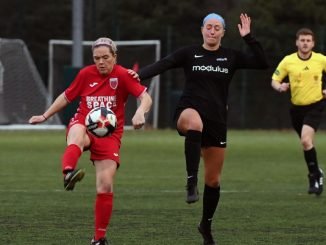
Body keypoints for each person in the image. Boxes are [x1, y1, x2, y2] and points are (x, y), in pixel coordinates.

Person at [130, 13, 268, 245]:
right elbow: (164, 64)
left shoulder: (231, 57)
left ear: (223, 32)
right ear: (202, 29)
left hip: (217, 121)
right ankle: (191, 180)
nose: (212, 31)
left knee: (213, 181)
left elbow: (262, 63)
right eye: (209, 27)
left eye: (217, 28)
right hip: (188, 110)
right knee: (195, 124)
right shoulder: (189, 53)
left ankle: (206, 225)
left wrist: (249, 38)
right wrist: (138, 74)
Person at [28, 37, 152, 245]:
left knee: (105, 185)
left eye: (105, 57)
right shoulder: (86, 74)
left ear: (114, 57)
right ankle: (68, 172)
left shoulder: (122, 75)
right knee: (76, 132)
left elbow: (145, 97)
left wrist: (140, 112)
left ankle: (99, 239)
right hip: (84, 123)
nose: (101, 62)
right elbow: (67, 97)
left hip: (110, 135)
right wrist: (45, 116)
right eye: (97, 58)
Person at [271, 28, 325, 196]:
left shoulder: (321, 59)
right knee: (306, 144)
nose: (305, 43)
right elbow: (274, 79)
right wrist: (279, 86)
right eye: (302, 40)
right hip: (296, 109)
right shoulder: (288, 61)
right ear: (297, 42)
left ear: (313, 43)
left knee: (305, 140)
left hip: (316, 105)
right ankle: (318, 172)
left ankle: (313, 177)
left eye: (308, 40)